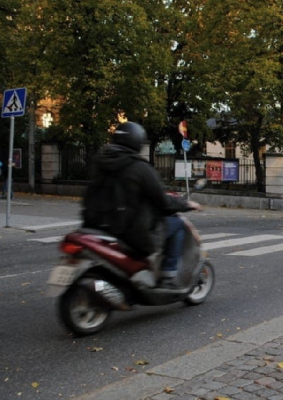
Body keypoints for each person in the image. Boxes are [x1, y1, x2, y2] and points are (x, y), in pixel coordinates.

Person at [82, 121, 201, 288]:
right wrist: (187, 204)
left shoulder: (99, 163)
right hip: (129, 232)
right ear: (137, 142)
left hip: (97, 227)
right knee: (178, 225)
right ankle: (168, 275)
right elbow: (164, 202)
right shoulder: (139, 168)